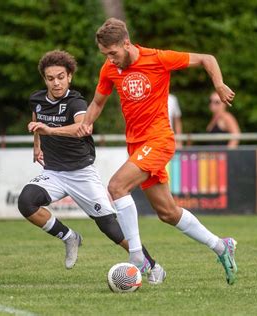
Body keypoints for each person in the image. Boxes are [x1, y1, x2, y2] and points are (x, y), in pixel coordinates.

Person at [69, 18, 238, 285]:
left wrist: (218, 84)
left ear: (126, 43)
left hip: (159, 140)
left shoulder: (158, 58)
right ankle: (221, 246)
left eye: (113, 53)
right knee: (167, 212)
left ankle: (137, 258)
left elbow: (207, 58)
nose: (110, 59)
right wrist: (87, 122)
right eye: (105, 55)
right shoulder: (110, 69)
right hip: (137, 146)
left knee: (117, 187)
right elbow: (98, 102)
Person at [21, 50, 166, 284]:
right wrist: (37, 145)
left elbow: (80, 128)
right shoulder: (37, 100)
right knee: (26, 202)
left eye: (60, 77)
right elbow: (36, 120)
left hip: (81, 174)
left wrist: (50, 131)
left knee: (110, 227)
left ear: (69, 77)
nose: (56, 82)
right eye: (50, 78)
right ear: (44, 80)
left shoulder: (75, 101)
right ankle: (69, 237)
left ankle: (153, 265)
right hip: (54, 173)